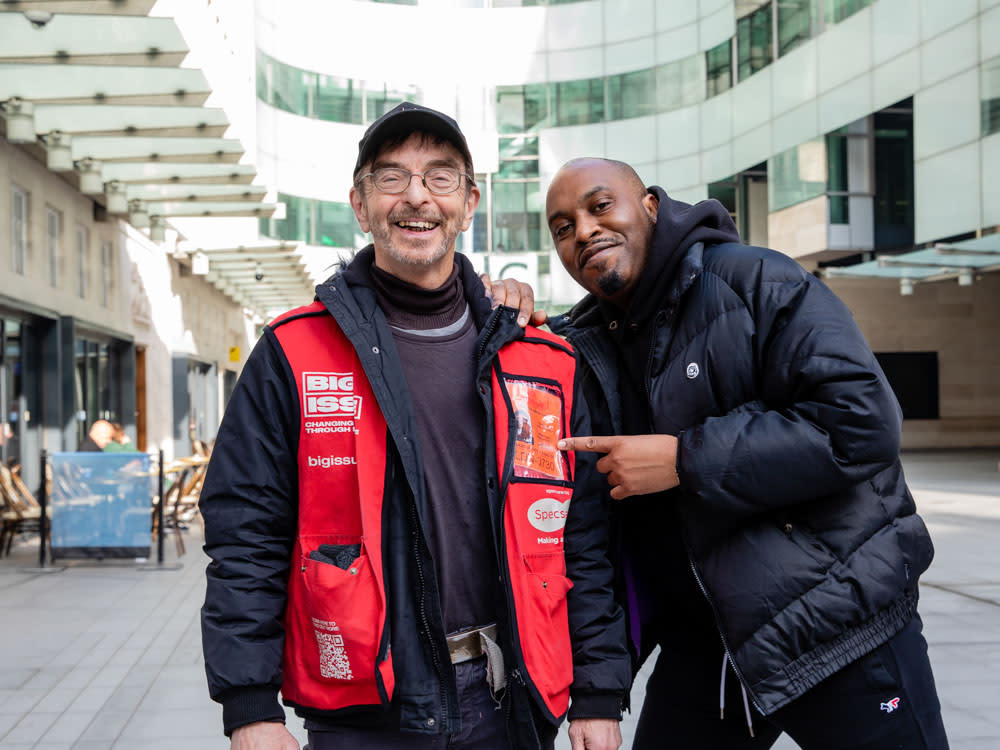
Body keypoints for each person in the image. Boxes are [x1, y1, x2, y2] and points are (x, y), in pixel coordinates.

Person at [200, 107, 629, 750]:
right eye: (392, 177)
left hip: (511, 701)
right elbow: (245, 536)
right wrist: (250, 707)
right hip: (367, 712)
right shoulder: (293, 353)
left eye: (441, 177)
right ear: (361, 202)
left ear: (469, 202)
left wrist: (597, 692)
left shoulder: (541, 361)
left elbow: (582, 538)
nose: (417, 196)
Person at [496, 156, 949, 749]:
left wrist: (684, 460)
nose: (582, 230)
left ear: (651, 206)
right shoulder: (582, 349)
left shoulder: (755, 279)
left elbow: (863, 421)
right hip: (704, 651)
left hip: (841, 628)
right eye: (562, 226)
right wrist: (496, 305)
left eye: (600, 206)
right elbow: (587, 534)